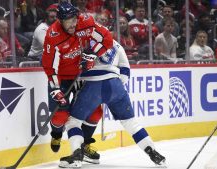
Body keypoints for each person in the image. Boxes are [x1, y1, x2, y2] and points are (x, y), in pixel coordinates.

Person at [59, 40, 166, 168]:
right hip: (115, 84)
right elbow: (125, 71)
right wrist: (111, 90)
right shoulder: (116, 44)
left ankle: (77, 155)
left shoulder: (82, 41)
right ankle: (152, 152)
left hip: (92, 85)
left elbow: (71, 66)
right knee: (131, 123)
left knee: (73, 122)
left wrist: (93, 88)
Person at [41, 1, 113, 164]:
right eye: (68, 20)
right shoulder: (53, 35)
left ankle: (84, 144)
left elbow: (107, 38)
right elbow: (49, 65)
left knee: (95, 112)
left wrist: (93, 54)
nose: (73, 23)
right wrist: (55, 89)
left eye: (74, 19)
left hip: (82, 76)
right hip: (62, 78)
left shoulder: (85, 22)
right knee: (60, 117)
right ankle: (56, 135)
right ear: (60, 20)